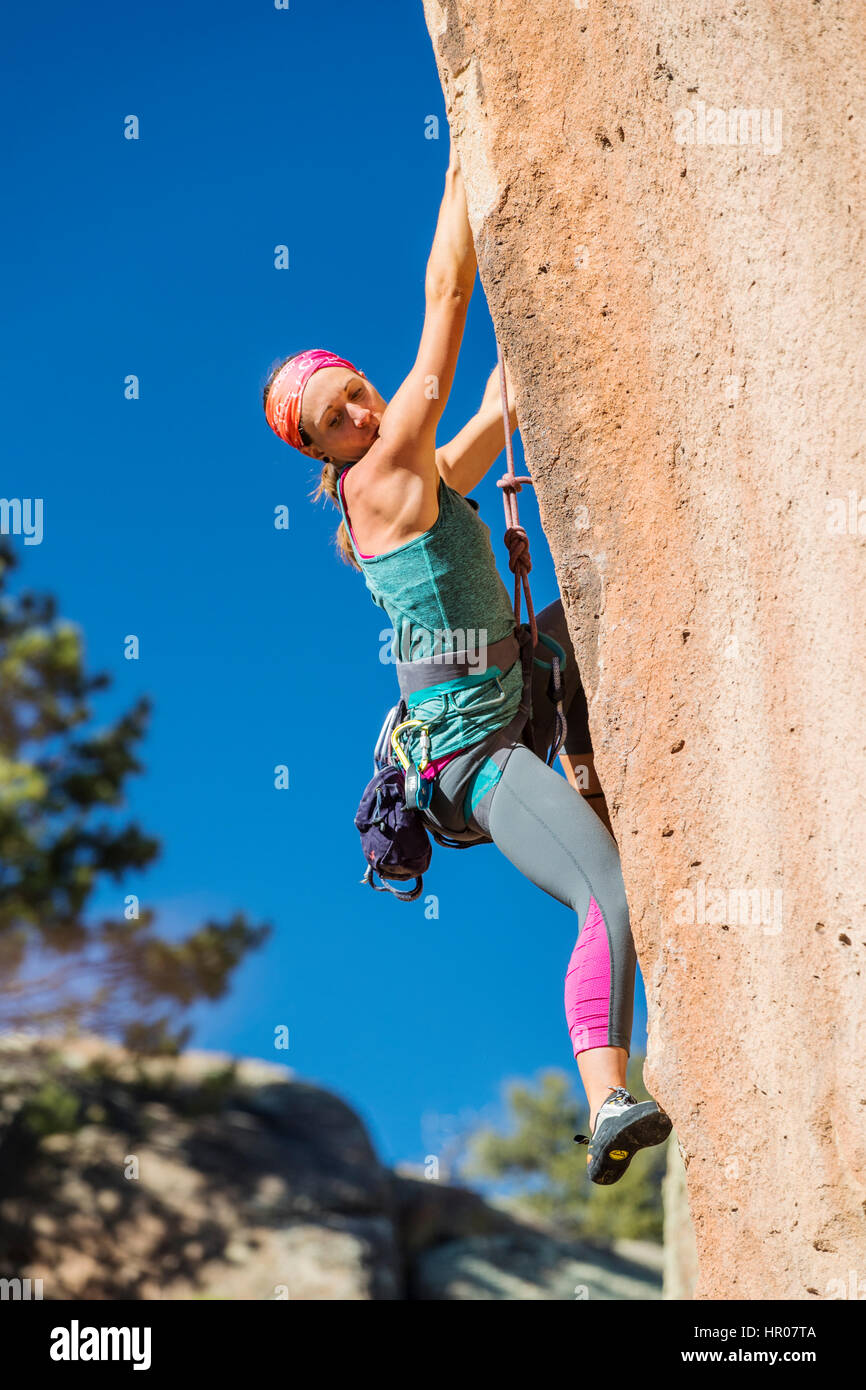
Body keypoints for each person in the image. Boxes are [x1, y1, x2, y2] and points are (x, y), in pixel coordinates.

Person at [261, 146, 671, 1185]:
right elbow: (443, 309)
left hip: (498, 694)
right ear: (324, 453)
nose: (357, 415)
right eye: (334, 422)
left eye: (352, 396)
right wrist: (463, 177)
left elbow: (486, 417)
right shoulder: (381, 474)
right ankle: (605, 1096)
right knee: (604, 897)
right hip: (473, 757)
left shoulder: (413, 476)